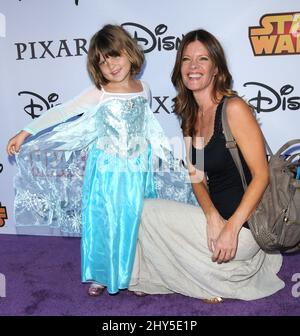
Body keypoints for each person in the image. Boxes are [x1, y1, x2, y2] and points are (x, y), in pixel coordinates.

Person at [6, 24, 172, 296]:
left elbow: (146, 128)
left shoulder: (145, 88)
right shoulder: (99, 93)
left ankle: (137, 275)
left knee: (137, 220)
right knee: (104, 219)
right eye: (102, 62)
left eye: (114, 56)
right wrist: (26, 132)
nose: (110, 66)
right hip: (107, 171)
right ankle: (102, 274)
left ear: (130, 53)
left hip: (138, 170)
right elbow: (62, 111)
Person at [129, 29, 285, 302]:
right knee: (148, 209)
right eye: (187, 59)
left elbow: (261, 176)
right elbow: (197, 176)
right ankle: (207, 275)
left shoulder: (233, 109)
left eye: (202, 59)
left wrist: (231, 227)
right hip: (216, 222)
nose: (193, 67)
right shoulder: (191, 116)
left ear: (216, 69)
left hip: (244, 229)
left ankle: (204, 279)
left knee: (146, 211)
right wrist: (212, 216)